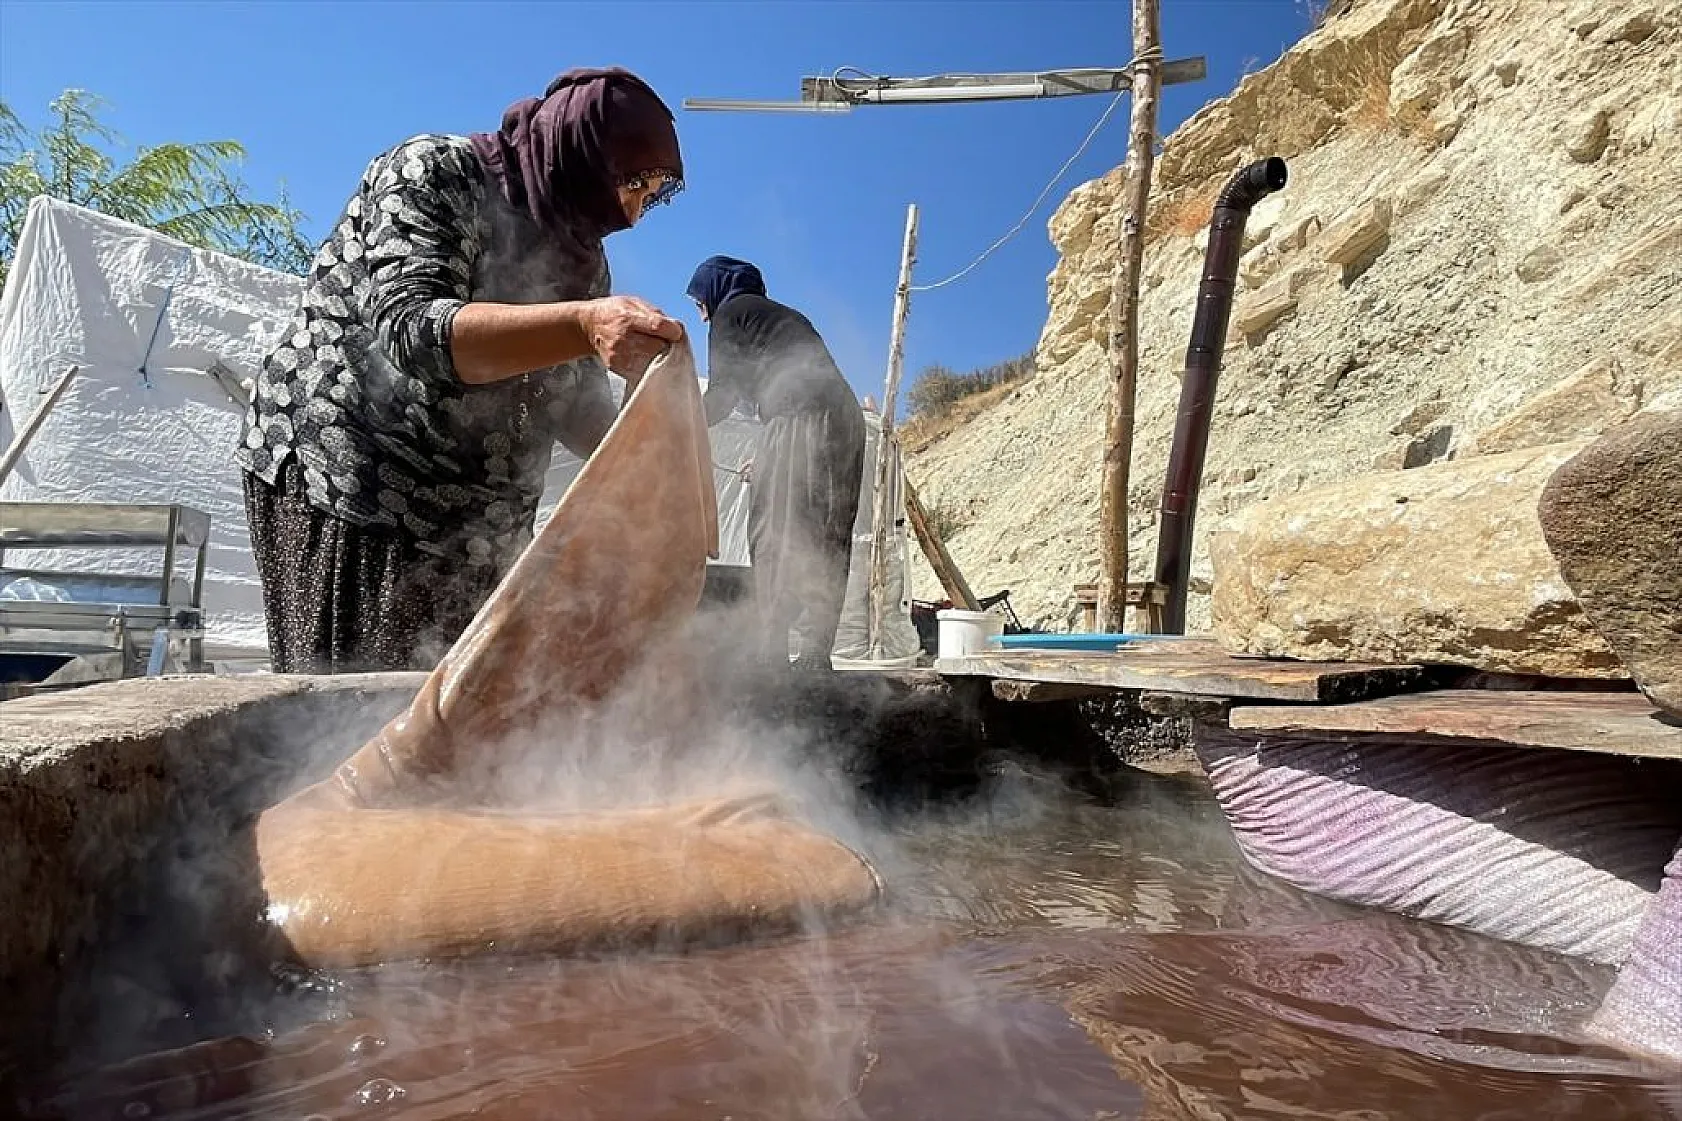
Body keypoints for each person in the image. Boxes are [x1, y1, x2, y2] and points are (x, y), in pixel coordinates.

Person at [237, 68, 687, 673]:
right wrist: (582, 325)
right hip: (361, 491)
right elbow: (412, 330)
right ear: (579, 150)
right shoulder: (436, 173)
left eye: (652, 195)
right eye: (632, 182)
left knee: (458, 734)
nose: (634, 212)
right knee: (350, 714)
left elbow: (574, 403)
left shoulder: (581, 260)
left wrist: (649, 440)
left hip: (477, 529)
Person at [686, 256, 866, 672]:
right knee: (826, 531)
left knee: (776, 530)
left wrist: (676, 421)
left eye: (699, 303)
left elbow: (722, 396)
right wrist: (767, 451)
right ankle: (816, 655)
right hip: (844, 421)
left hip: (799, 414)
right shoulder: (780, 316)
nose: (700, 314)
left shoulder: (731, 313)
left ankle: (771, 656)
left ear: (714, 290)